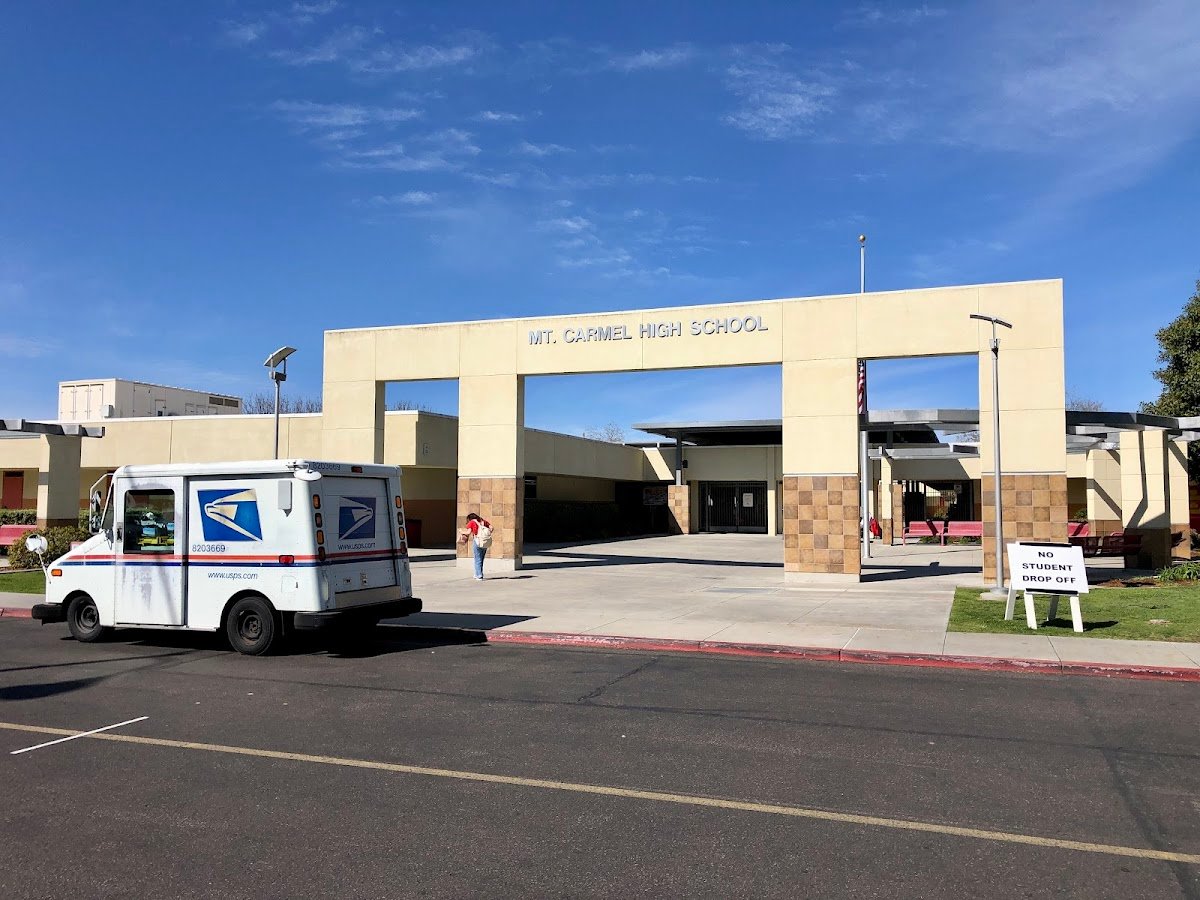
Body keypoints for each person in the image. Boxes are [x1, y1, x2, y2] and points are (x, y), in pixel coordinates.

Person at [460, 512, 493, 580]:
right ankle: (476, 574)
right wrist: (486, 534)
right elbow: (491, 528)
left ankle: (479, 575)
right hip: (485, 542)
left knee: (477, 558)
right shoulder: (483, 522)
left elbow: (468, 532)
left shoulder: (472, 522)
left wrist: (461, 532)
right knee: (481, 559)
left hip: (477, 541)